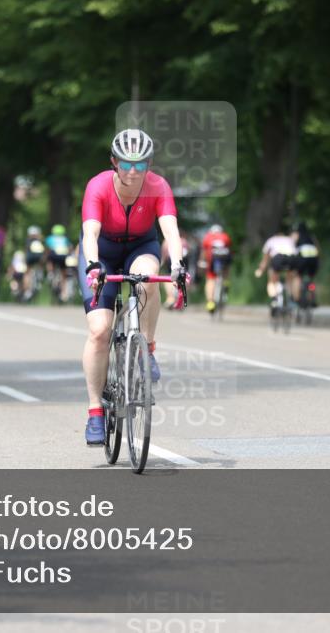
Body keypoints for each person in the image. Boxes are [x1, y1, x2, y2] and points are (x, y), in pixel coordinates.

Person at [79, 129, 186, 445]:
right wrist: (94, 266)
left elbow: (170, 230)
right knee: (99, 330)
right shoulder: (98, 187)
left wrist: (178, 265)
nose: (133, 171)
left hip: (141, 246)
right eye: (126, 163)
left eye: (141, 164)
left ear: (149, 164)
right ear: (114, 162)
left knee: (149, 279)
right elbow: (89, 233)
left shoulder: (158, 187)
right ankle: (95, 411)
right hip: (102, 253)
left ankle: (147, 348)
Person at [254, 226, 299, 309]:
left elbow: (266, 258)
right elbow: (296, 253)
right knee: (290, 279)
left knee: (272, 279)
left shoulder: (271, 240)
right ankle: (292, 298)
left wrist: (260, 270)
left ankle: (274, 299)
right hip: (291, 258)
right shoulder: (289, 240)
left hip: (278, 258)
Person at [201, 224, 233, 312]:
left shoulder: (208, 237)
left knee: (210, 280)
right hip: (225, 258)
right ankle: (226, 283)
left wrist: (202, 262)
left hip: (213, 259)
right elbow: (229, 249)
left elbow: (204, 252)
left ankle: (210, 303)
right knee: (226, 269)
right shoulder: (225, 236)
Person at [291, 221, 320, 308]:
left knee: (298, 276)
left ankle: (296, 299)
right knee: (311, 277)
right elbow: (318, 249)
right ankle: (312, 298)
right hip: (313, 259)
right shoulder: (311, 237)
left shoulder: (296, 235)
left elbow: (292, 248)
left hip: (303, 258)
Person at [45, 225, 74, 302]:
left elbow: (47, 249)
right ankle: (63, 293)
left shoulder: (50, 238)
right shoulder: (65, 239)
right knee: (63, 274)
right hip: (63, 256)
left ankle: (50, 273)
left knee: (49, 258)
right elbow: (70, 248)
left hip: (54, 255)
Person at [23, 225, 47, 301]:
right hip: (39, 257)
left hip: (30, 257)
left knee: (27, 272)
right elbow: (44, 250)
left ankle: (27, 291)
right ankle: (40, 275)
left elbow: (26, 250)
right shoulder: (40, 239)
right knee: (41, 264)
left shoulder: (28, 240)